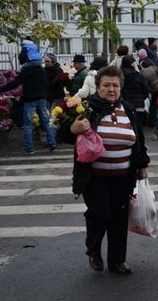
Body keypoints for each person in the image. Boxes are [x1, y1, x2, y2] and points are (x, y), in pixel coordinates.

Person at [60, 65, 150, 275]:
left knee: (119, 219)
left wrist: (142, 166)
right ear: (97, 87)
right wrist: (72, 130)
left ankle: (117, 261)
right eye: (106, 85)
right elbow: (62, 133)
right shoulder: (87, 108)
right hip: (95, 178)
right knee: (101, 215)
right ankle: (93, 250)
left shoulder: (127, 109)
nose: (111, 89)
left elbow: (139, 141)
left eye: (115, 85)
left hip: (124, 177)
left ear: (121, 88)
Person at [0, 49, 57, 154]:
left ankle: (29, 149)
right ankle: (53, 145)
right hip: (42, 99)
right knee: (46, 122)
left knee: (28, 125)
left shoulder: (26, 70)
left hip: (30, 100)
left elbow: (16, 83)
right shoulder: (41, 70)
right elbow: (45, 85)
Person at [121, 55, 150, 125]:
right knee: (138, 127)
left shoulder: (120, 76)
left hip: (124, 106)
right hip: (139, 106)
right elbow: (146, 90)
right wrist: (141, 98)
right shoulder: (139, 76)